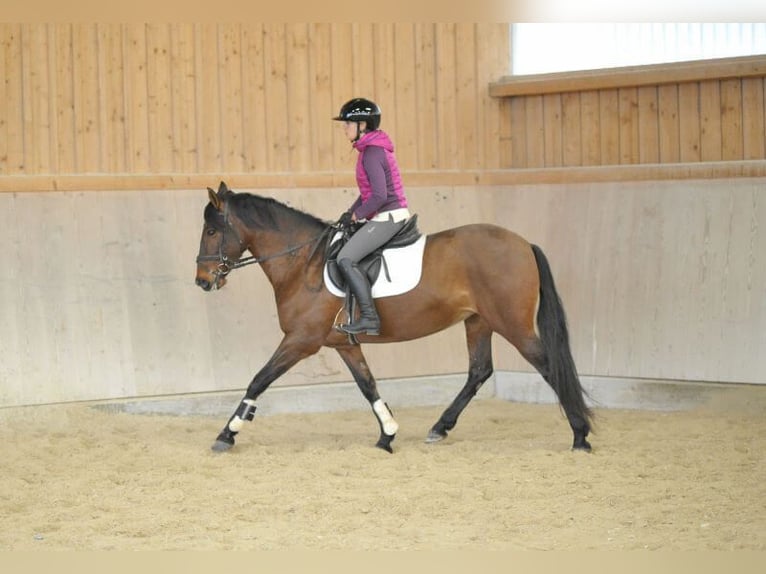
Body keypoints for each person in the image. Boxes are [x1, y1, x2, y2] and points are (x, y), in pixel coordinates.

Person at [332, 97, 411, 336]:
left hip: (389, 216)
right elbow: (367, 194)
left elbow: (379, 196)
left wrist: (356, 216)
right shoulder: (368, 150)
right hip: (382, 213)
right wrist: (349, 213)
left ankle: (369, 317)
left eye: (348, 123)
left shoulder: (371, 153)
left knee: (345, 258)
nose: (344, 128)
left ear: (363, 125)